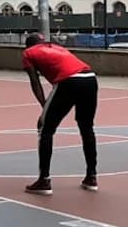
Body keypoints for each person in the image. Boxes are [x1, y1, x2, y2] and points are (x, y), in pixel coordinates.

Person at [20, 33, 99, 196]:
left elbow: (35, 82)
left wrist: (44, 106)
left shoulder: (28, 53)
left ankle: (44, 180)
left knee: (45, 128)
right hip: (90, 78)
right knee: (86, 127)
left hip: (69, 81)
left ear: (28, 45)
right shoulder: (57, 47)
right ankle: (91, 177)